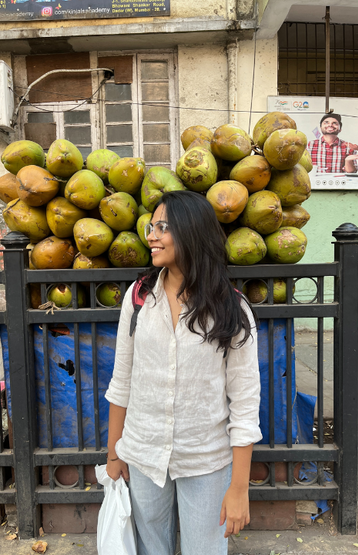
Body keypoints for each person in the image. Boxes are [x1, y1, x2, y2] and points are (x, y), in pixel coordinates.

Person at [105, 190, 262, 555]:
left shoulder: (232, 310)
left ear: (191, 231)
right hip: (142, 454)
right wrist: (114, 455)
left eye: (162, 227)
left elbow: (245, 403)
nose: (151, 236)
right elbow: (122, 380)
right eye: (150, 226)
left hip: (205, 459)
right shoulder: (139, 297)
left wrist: (239, 488)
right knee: (149, 549)